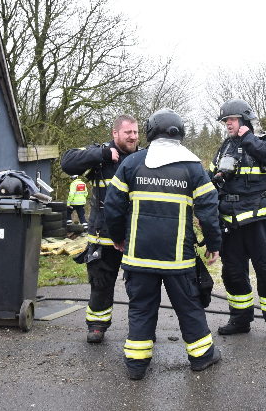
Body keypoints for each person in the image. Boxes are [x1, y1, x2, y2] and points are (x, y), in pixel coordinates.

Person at [104, 108, 223, 380]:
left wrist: (118, 237)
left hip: (138, 256)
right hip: (178, 259)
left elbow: (112, 206)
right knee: (189, 308)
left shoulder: (132, 163)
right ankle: (202, 358)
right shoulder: (192, 167)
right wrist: (214, 244)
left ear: (149, 131)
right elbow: (208, 209)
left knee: (141, 309)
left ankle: (136, 365)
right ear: (180, 133)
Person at [209, 98, 266, 343]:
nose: (227, 125)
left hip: (261, 223)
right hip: (231, 224)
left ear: (245, 120)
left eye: (231, 120)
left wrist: (249, 138)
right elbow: (213, 180)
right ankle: (240, 319)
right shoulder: (224, 147)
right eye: (226, 121)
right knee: (233, 273)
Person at [61, 115, 139, 344]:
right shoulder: (100, 155)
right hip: (103, 234)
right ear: (115, 134)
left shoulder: (143, 157)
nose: (133, 137)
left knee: (138, 285)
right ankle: (97, 325)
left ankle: (140, 329)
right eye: (128, 133)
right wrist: (102, 155)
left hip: (133, 232)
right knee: (101, 283)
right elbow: (68, 162)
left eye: (135, 132)